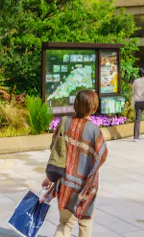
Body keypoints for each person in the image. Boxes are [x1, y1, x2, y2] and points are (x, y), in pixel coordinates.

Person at [43, 90, 108, 237]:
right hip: (86, 186)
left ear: (75, 105)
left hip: (65, 182)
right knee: (85, 223)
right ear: (94, 108)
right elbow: (102, 155)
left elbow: (55, 149)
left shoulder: (64, 123)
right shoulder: (94, 131)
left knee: (65, 224)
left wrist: (50, 177)